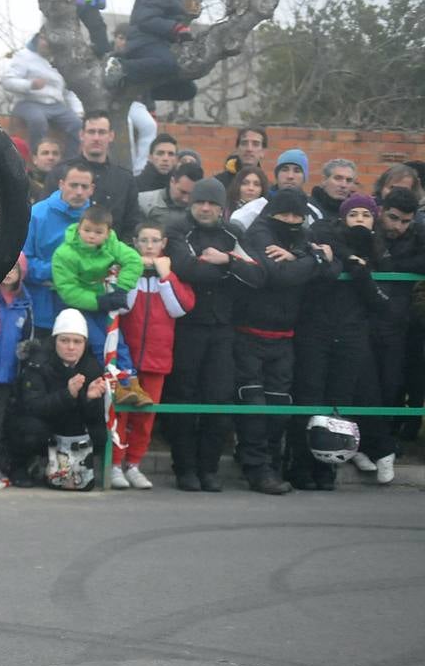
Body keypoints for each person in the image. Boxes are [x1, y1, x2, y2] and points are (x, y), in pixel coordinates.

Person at [233, 188, 339, 495]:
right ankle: (256, 469)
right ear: (273, 213)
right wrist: (314, 259)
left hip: (285, 338)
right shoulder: (259, 233)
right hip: (249, 333)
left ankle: (272, 464)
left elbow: (333, 269)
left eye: (297, 215)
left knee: (279, 406)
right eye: (286, 215)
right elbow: (276, 274)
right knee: (253, 404)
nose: (291, 220)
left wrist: (304, 257)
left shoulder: (302, 238)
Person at [164, 177, 264, 492]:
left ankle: (208, 469)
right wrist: (229, 271)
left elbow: (257, 275)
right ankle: (185, 469)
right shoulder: (179, 229)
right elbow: (187, 269)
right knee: (184, 397)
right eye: (200, 202)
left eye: (211, 203)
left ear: (222, 207)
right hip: (188, 327)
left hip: (223, 330)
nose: (205, 208)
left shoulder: (232, 234)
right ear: (191, 203)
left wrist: (226, 261)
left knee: (218, 399)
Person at [287, 193, 388, 491]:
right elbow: (319, 238)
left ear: (374, 220)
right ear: (344, 217)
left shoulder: (377, 252)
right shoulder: (324, 237)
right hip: (315, 331)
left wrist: (361, 272)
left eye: (365, 215)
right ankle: (300, 465)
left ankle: (327, 467)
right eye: (353, 213)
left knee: (338, 403)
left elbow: (380, 302)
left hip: (352, 335)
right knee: (309, 398)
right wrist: (345, 257)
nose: (359, 219)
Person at [110, 220, 195, 488]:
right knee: (120, 414)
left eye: (154, 240)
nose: (149, 246)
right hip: (126, 359)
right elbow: (122, 307)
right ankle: (114, 464)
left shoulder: (170, 275)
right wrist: (133, 273)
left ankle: (134, 464)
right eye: (144, 240)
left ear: (163, 244)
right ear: (134, 243)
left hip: (157, 360)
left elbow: (179, 308)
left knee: (145, 417)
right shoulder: (125, 271)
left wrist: (165, 277)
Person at [354, 187, 425, 481]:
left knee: (390, 388)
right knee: (359, 388)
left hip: (396, 328)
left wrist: (390, 265)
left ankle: (381, 447)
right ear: (382, 211)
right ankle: (363, 446)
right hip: (362, 323)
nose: (398, 226)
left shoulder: (416, 237)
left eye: (406, 221)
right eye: (394, 218)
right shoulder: (365, 229)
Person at [49, 204, 150, 405]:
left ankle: (131, 384)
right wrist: (99, 301)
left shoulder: (113, 245)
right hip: (81, 307)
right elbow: (68, 290)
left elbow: (134, 261)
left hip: (107, 302)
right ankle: (114, 386)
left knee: (118, 342)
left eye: (98, 232)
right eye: (87, 230)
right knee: (98, 343)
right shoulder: (64, 253)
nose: (91, 236)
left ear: (108, 233)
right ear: (79, 228)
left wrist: (121, 288)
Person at [4, 308, 109, 489]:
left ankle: (65, 468)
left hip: (69, 426)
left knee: (99, 435)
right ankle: (20, 466)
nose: (71, 347)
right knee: (30, 430)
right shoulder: (38, 363)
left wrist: (90, 399)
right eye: (64, 340)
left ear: (84, 344)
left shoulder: (92, 367)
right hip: (43, 424)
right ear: (55, 341)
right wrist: (68, 394)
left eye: (77, 341)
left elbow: (95, 418)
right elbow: (33, 406)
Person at [104, 0, 198, 102]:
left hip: (161, 44)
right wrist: (176, 28)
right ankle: (120, 66)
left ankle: (142, 93)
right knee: (168, 64)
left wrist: (184, 28)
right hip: (143, 41)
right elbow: (146, 20)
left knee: (188, 89)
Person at [45, 110, 142, 241]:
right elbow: (46, 217)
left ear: (111, 136)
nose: (96, 138)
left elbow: (132, 225)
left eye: (102, 132)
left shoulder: (125, 179)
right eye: (91, 132)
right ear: (81, 135)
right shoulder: (60, 173)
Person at [25, 160, 93, 338]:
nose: (79, 192)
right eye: (73, 185)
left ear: (91, 189)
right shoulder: (37, 214)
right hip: (42, 310)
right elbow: (22, 263)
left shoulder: (96, 219)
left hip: (82, 311)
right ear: (61, 184)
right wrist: (60, 271)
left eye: (84, 186)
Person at [0, 257, 32, 479]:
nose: (9, 272)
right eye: (5, 267)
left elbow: (27, 339)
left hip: (9, 373)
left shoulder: (25, 303)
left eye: (14, 268)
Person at [1, 34, 83, 156]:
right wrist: (30, 85)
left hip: (55, 105)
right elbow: (7, 81)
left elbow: (69, 90)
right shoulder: (24, 56)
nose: (46, 43)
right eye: (44, 39)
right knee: (37, 120)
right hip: (28, 102)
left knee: (77, 124)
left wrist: (78, 111)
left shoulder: (60, 61)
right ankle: (37, 158)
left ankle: (70, 162)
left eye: (50, 40)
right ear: (37, 39)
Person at [110, 25, 159, 176]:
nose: (123, 42)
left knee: (150, 126)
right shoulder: (109, 58)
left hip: (135, 104)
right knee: (127, 125)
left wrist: (151, 108)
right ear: (115, 39)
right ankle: (128, 167)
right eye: (120, 38)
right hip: (113, 103)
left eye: (127, 39)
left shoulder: (140, 60)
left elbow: (147, 87)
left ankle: (140, 169)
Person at [230, 148, 310, 231]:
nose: (290, 176)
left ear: (305, 177)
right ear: (277, 175)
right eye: (284, 170)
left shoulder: (313, 210)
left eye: (297, 171)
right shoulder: (255, 208)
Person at [138, 160, 201, 232]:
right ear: (172, 181)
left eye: (192, 194)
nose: (186, 199)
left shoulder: (203, 210)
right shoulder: (143, 202)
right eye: (182, 192)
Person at [215, 126, 267, 194]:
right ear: (237, 149)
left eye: (255, 144)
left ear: (263, 152)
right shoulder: (218, 184)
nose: (249, 149)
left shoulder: (266, 187)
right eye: (244, 143)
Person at [307, 158, 357, 225]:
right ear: (324, 180)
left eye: (349, 180)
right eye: (338, 178)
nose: (343, 185)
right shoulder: (307, 208)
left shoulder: (357, 213)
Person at [28, 136, 63, 202]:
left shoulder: (67, 184)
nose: (51, 157)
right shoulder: (25, 183)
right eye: (45, 153)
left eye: (55, 153)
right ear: (35, 159)